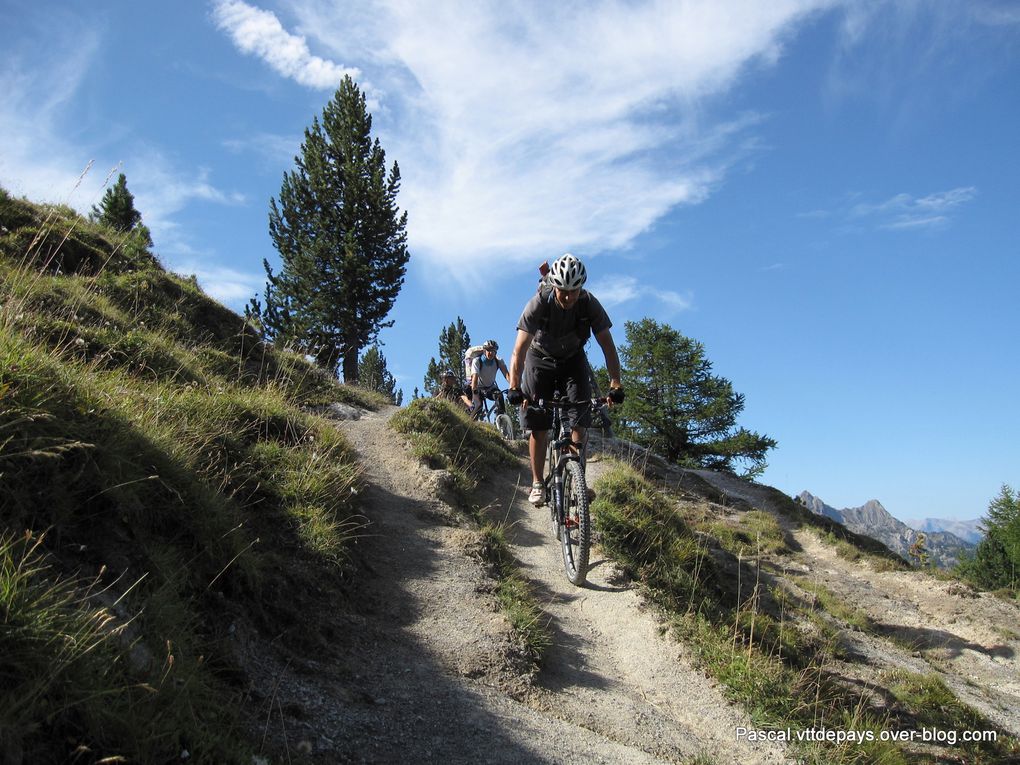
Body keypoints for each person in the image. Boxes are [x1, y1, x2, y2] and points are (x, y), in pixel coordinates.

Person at [506, 253, 624, 505]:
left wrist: (615, 383)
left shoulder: (589, 303)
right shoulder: (539, 302)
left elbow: (608, 347)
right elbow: (519, 350)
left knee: (580, 418)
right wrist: (514, 386)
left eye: (575, 291)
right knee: (538, 424)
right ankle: (538, 483)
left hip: (572, 360)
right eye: (564, 292)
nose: (570, 297)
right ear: (555, 287)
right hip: (539, 358)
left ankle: (575, 477)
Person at [468, 340, 510, 419]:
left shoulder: (498, 361)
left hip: (490, 388)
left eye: (493, 351)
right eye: (489, 350)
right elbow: (474, 379)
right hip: (478, 388)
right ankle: (470, 424)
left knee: (499, 396)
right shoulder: (477, 361)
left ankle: (501, 420)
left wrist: (513, 386)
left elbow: (506, 374)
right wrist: (475, 393)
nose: (491, 353)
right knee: (478, 407)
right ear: (484, 351)